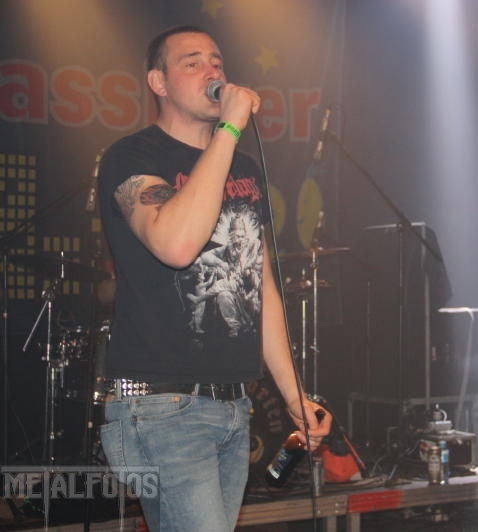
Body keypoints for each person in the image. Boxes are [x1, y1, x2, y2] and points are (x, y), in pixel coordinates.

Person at [97, 25, 331, 531]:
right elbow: (176, 245)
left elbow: (259, 287)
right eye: (193, 62)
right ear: (158, 82)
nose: (213, 71)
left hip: (232, 407)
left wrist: (293, 393)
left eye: (217, 61)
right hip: (161, 407)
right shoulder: (131, 158)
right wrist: (228, 129)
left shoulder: (244, 168)